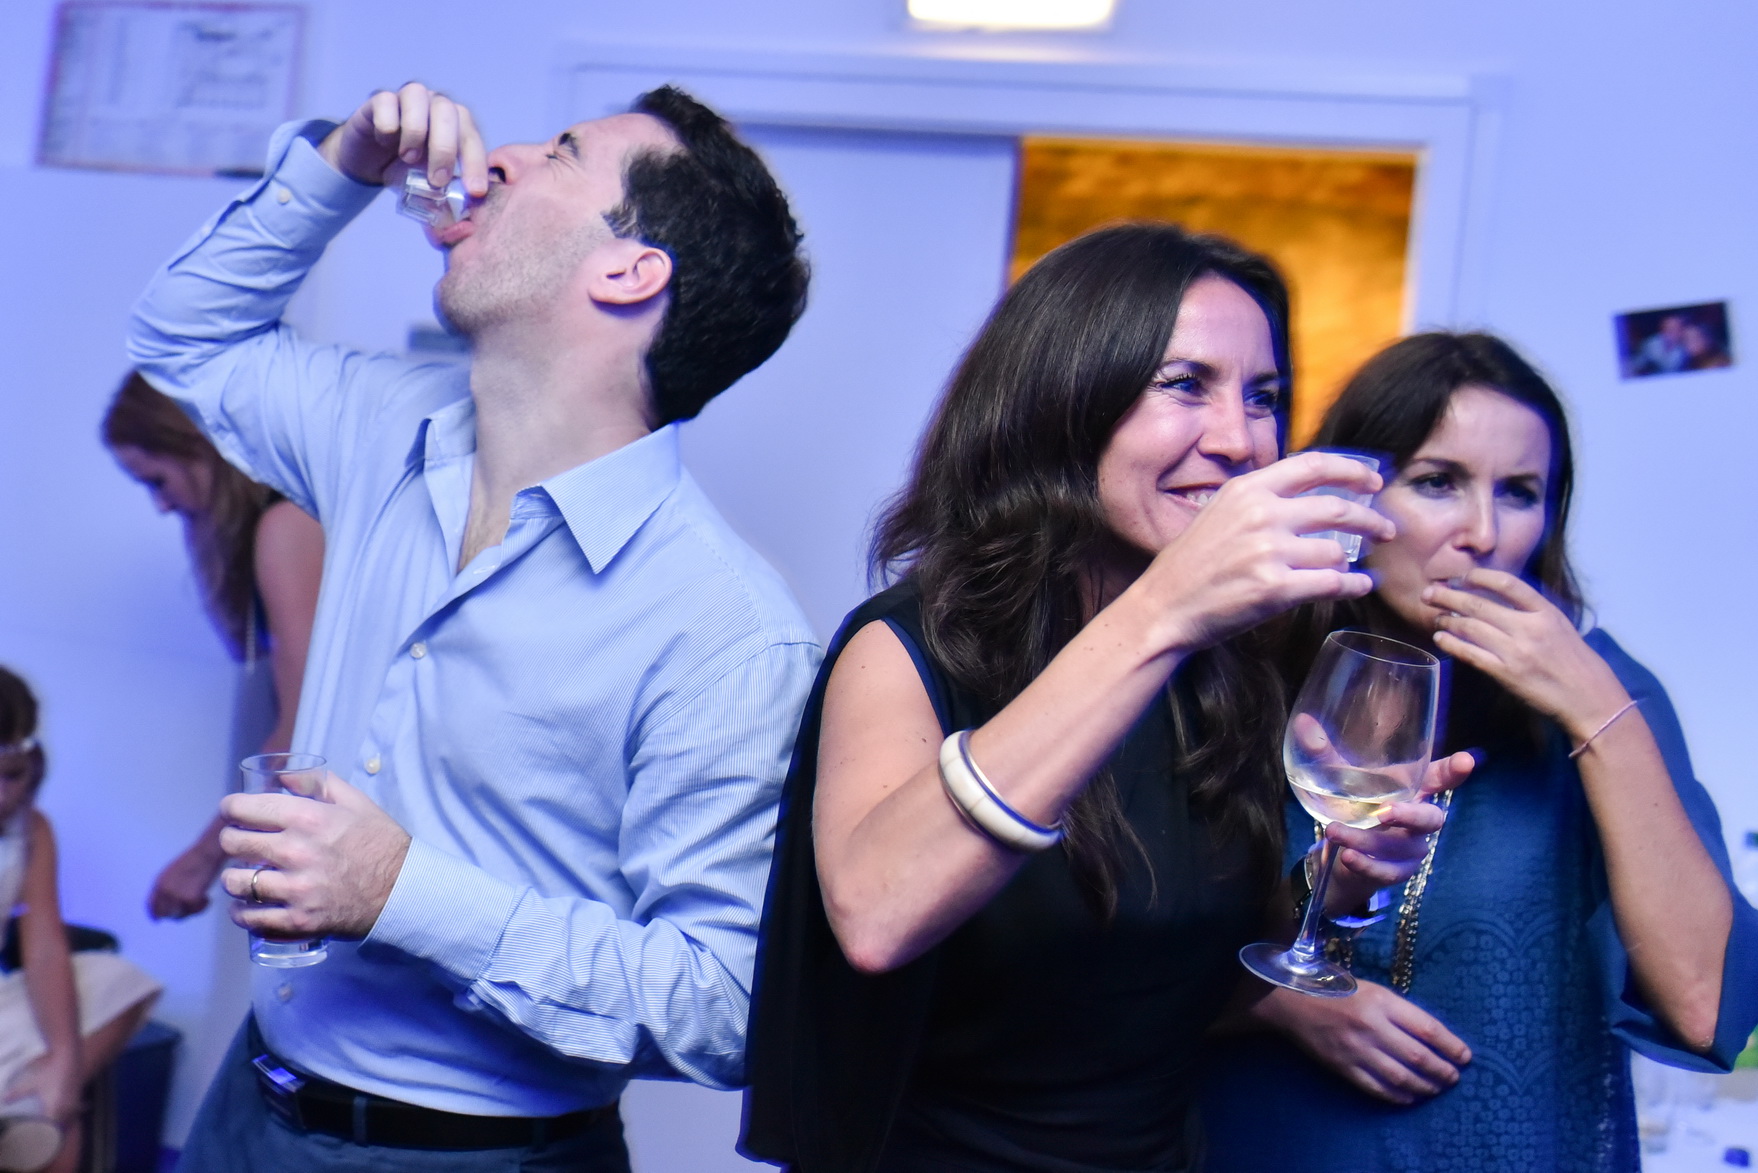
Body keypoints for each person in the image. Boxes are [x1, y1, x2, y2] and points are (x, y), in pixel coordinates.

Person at [129, 80, 817, 1172]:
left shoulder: (723, 628)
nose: (499, 158)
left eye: (564, 153)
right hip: (247, 1111)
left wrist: (403, 894)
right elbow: (180, 337)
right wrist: (343, 165)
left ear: (630, 271)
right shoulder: (380, 429)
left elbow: (723, 1007)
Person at [742, 223, 1474, 1173]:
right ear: (1065, 396)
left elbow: (1158, 976)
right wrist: (1164, 612)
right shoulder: (910, 646)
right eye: (1186, 384)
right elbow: (878, 918)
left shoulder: (1223, 664)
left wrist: (1333, 886)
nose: (1241, 440)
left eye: (1263, 397)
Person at [1199, 332, 1758, 1173]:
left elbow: (1703, 1006)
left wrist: (1596, 707)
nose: (1484, 533)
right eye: (1438, 482)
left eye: (1520, 492)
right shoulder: (1236, 676)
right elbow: (1076, 983)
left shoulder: (1610, 694)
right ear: (1354, 494)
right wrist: (1273, 1002)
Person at [103, 372, 324, 921]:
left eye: (157, 480)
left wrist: (203, 859)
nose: (160, 505)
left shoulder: (287, 526)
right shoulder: (267, 525)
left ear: (198, 448)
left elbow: (302, 727)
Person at [0, 667, 161, 1173]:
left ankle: (30, 1111)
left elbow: (45, 949)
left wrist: (65, 1065)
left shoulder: (33, 830)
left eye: (12, 775)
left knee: (116, 979)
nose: (2, 796)